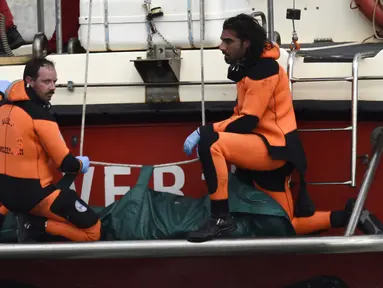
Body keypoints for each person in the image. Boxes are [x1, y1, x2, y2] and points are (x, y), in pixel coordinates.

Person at [183, 13, 383, 243]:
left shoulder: (263, 70)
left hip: (271, 149)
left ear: (246, 43)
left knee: (212, 142)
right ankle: (348, 216)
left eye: (228, 41)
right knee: (288, 225)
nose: (221, 46)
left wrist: (205, 132)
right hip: (266, 149)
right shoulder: (250, 67)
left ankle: (220, 218)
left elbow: (248, 120)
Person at [0, 58, 100, 242]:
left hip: (4, 196)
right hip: (35, 197)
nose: (53, 87)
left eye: (55, 81)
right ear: (29, 81)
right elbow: (66, 164)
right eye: (46, 82)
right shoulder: (41, 117)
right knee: (93, 232)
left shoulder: (3, 108)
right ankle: (37, 226)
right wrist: (80, 164)